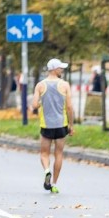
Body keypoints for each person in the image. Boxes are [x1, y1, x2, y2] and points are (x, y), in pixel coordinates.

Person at [32, 58, 74, 193]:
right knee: (59, 154)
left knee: (44, 153)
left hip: (46, 125)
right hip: (61, 124)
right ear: (55, 69)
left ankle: (46, 170)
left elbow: (34, 105)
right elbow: (69, 107)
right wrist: (71, 125)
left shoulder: (40, 85)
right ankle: (54, 184)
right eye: (60, 68)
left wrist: (41, 103)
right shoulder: (65, 85)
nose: (62, 70)